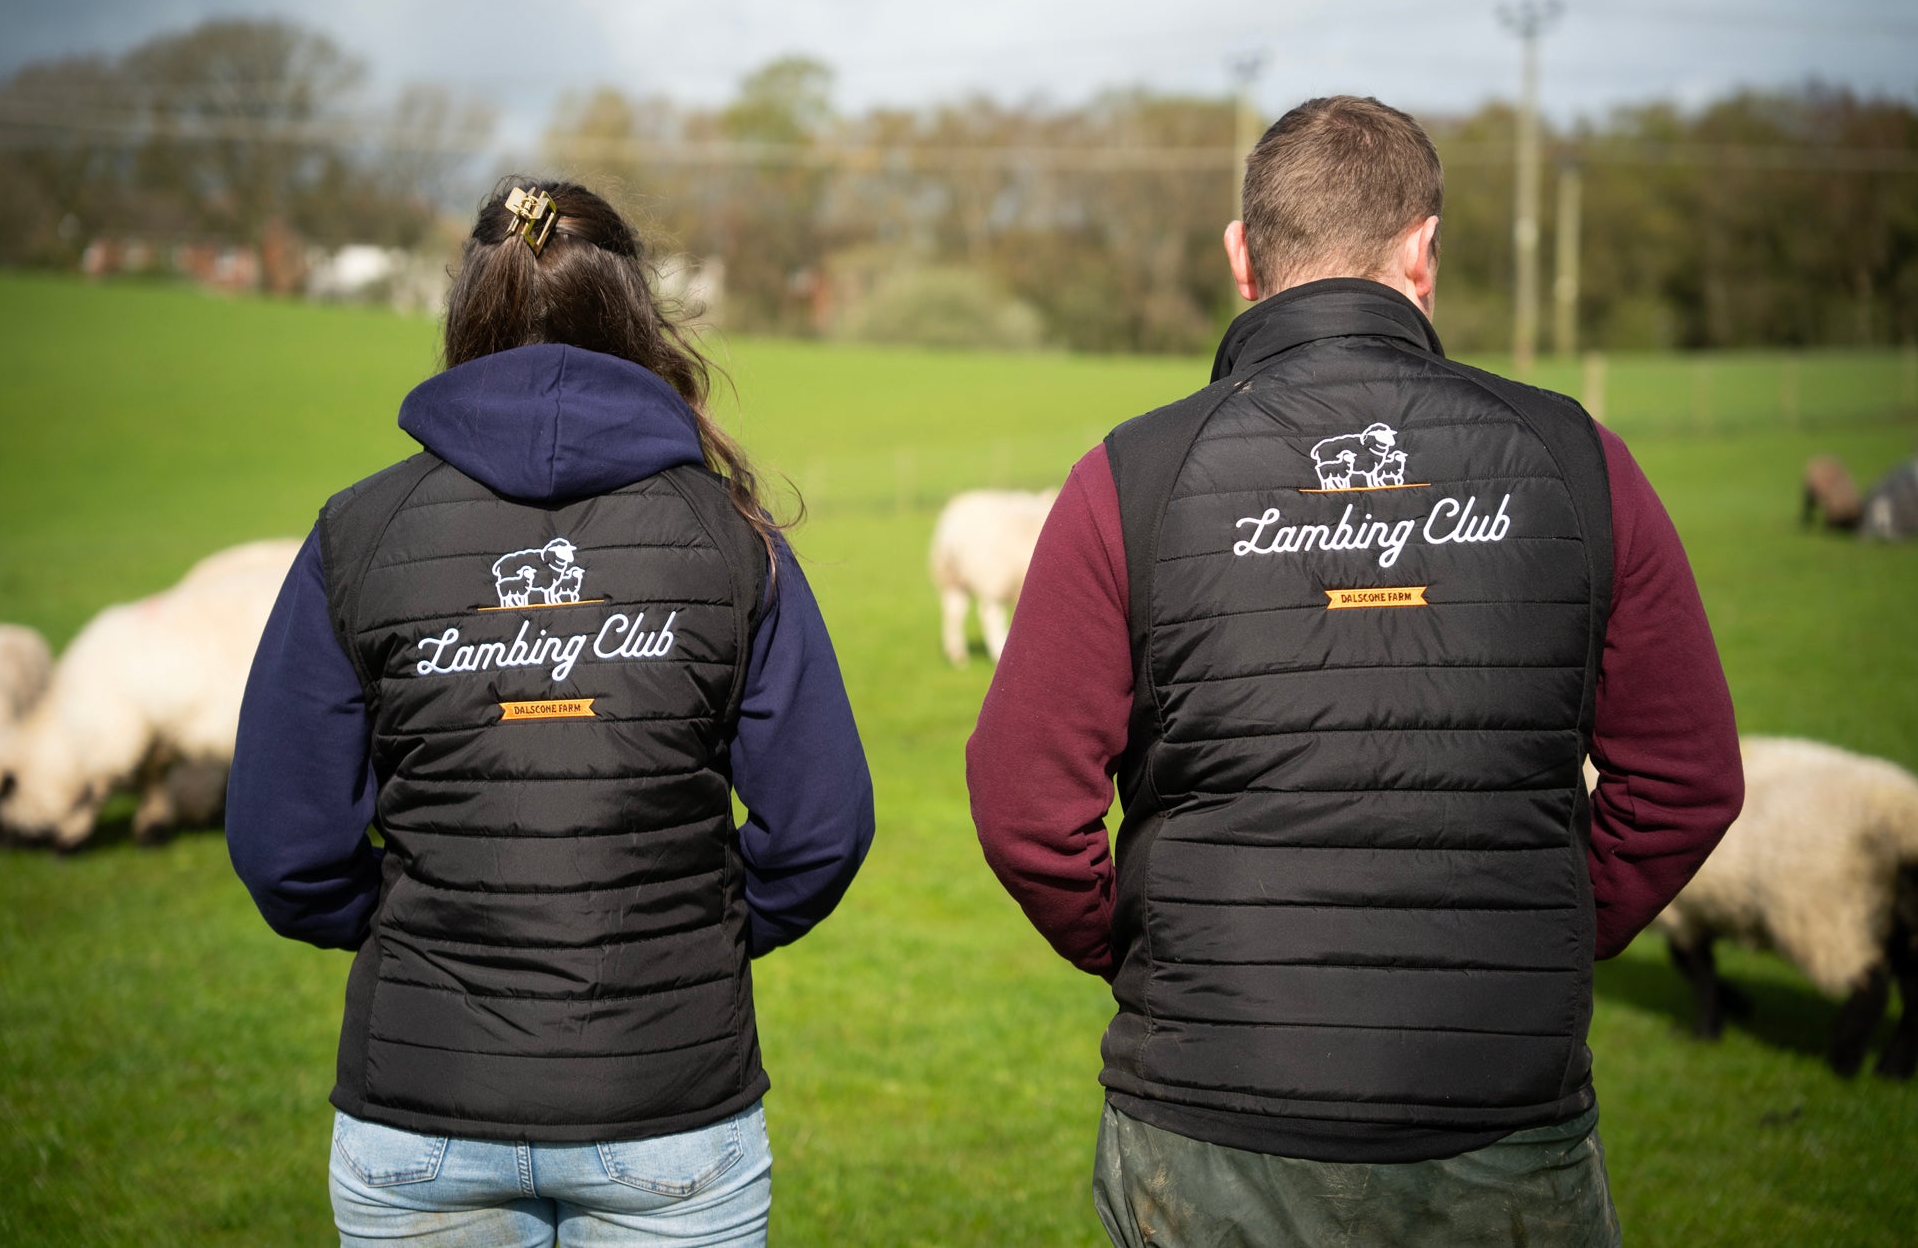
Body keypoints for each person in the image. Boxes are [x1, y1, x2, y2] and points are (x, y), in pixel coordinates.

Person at [966, 97, 1743, 1246]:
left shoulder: (1131, 475)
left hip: (1211, 1119)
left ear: (1240, 255)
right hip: (1497, 1116)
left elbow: (1022, 804)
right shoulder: (1578, 460)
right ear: (1422, 251)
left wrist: (1160, 953)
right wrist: (1534, 939)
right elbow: (1685, 778)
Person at [227, 179, 874, 1247]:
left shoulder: (359, 533)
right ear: (634, 313)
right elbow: (821, 829)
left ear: (465, 310)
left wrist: (414, 929)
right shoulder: (731, 539)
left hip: (423, 1110)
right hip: (669, 1112)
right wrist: (696, 934)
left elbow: (283, 846)